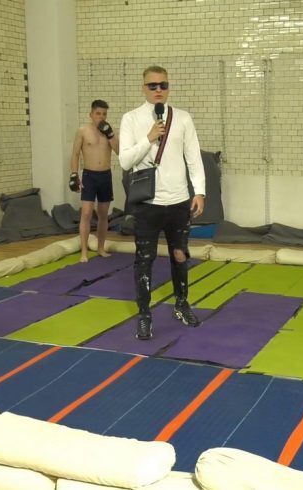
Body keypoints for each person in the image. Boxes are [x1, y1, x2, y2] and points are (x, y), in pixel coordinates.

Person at [119, 66, 206, 340]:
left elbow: (193, 157)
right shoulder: (131, 119)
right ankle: (145, 315)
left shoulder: (182, 118)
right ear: (143, 88)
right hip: (148, 203)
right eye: (153, 85)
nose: (158, 90)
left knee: (180, 255)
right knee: (144, 260)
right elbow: (125, 161)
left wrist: (199, 192)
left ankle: (182, 303)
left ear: (169, 87)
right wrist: (149, 138)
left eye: (163, 85)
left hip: (179, 201)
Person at [69, 99, 119, 262]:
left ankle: (100, 248)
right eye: (98, 113)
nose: (101, 117)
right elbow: (75, 153)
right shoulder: (83, 131)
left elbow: (119, 151)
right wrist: (74, 174)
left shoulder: (109, 131)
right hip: (89, 176)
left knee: (103, 214)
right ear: (91, 115)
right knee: (86, 213)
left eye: (104, 114)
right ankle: (84, 251)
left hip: (105, 176)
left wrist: (110, 135)